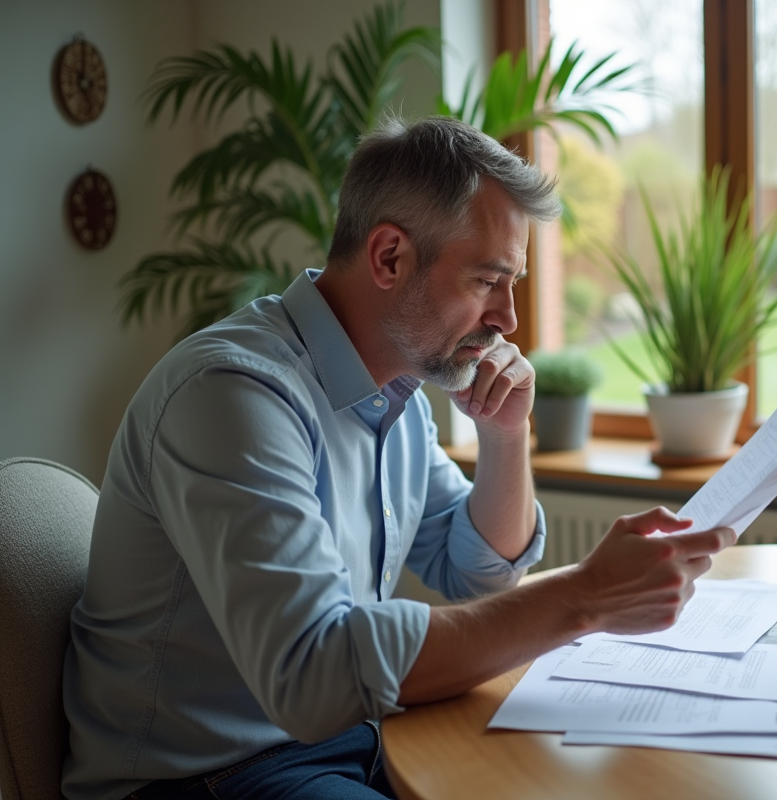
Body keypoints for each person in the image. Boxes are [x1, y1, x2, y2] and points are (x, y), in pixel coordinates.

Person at [61, 117, 735, 800]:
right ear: (389, 257)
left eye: (515, 282)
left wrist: (505, 437)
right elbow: (312, 676)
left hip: (351, 738)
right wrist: (587, 597)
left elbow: (475, 573)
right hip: (202, 777)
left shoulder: (397, 395)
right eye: (488, 279)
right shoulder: (233, 395)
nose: (509, 318)